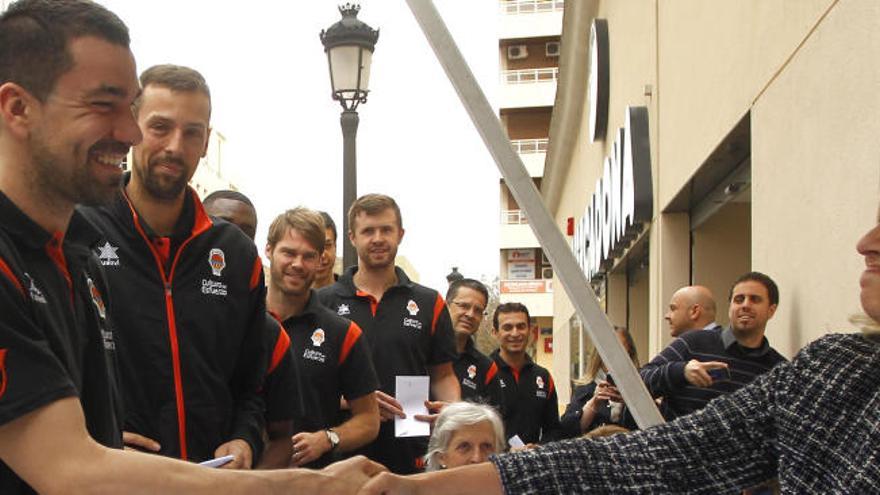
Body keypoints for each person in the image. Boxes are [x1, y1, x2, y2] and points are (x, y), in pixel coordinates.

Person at [0, 1, 382, 493]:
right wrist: (310, 486)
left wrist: (245, 438)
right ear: (17, 108)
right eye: (104, 105)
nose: (131, 132)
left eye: (129, 108)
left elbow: (250, 385)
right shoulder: (55, 250)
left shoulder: (76, 259)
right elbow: (71, 468)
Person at [360, 205, 880, 494]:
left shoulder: (785, 367)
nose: (865, 243)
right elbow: (660, 456)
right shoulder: (833, 368)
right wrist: (416, 486)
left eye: (755, 300)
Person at [79, 64, 268, 467]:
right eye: (160, 127)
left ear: (205, 142)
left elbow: (253, 385)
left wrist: (244, 439)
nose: (175, 146)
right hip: (111, 481)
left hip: (209, 481)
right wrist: (98, 436)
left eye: (192, 132)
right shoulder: (78, 230)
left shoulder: (236, 254)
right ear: (131, 127)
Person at [317, 193, 460, 474]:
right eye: (368, 231)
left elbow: (444, 375)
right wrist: (357, 401)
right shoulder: (323, 302)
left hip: (411, 449)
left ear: (400, 234)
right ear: (353, 237)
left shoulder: (430, 302)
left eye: (386, 229)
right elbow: (307, 383)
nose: (378, 238)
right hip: (341, 451)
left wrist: (453, 410)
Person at [262, 208, 379, 469]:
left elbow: (369, 420)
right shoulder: (238, 319)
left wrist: (328, 438)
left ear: (320, 260)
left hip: (310, 482)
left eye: (308, 256)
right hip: (236, 479)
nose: (297, 264)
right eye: (289, 253)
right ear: (269, 250)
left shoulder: (343, 333)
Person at [201, 191, 299, 471]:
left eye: (246, 233)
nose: (232, 238)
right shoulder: (154, 303)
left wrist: (250, 477)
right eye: (222, 224)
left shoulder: (270, 334)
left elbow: (282, 436)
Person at [640, 272, 787, 419]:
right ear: (730, 307)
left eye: (755, 300)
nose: (745, 305)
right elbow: (639, 380)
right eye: (739, 300)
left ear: (771, 310)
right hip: (677, 440)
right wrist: (681, 372)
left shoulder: (779, 369)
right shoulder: (694, 341)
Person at [484, 303, 562, 446]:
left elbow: (553, 429)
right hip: (493, 463)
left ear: (530, 330)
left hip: (533, 463)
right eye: (507, 328)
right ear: (495, 332)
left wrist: (539, 449)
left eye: (521, 326)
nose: (515, 333)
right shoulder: (484, 372)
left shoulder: (543, 377)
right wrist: (507, 450)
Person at [560, 326, 638, 438]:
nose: (614, 356)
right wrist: (593, 404)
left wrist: (631, 402)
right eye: (608, 349)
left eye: (619, 349)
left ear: (630, 353)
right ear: (599, 354)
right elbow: (565, 431)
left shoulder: (641, 389)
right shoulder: (585, 389)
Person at [423, 402, 505, 471]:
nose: (477, 458)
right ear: (441, 457)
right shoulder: (422, 490)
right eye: (464, 446)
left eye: (486, 446)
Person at [446, 278, 492, 401]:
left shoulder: (486, 368)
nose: (470, 314)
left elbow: (494, 416)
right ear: (446, 306)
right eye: (464, 306)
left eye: (478, 310)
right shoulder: (419, 353)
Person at [313, 210, 338, 289]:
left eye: (327, 245)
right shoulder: (290, 299)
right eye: (314, 247)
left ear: (335, 247)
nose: (322, 255)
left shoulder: (352, 298)